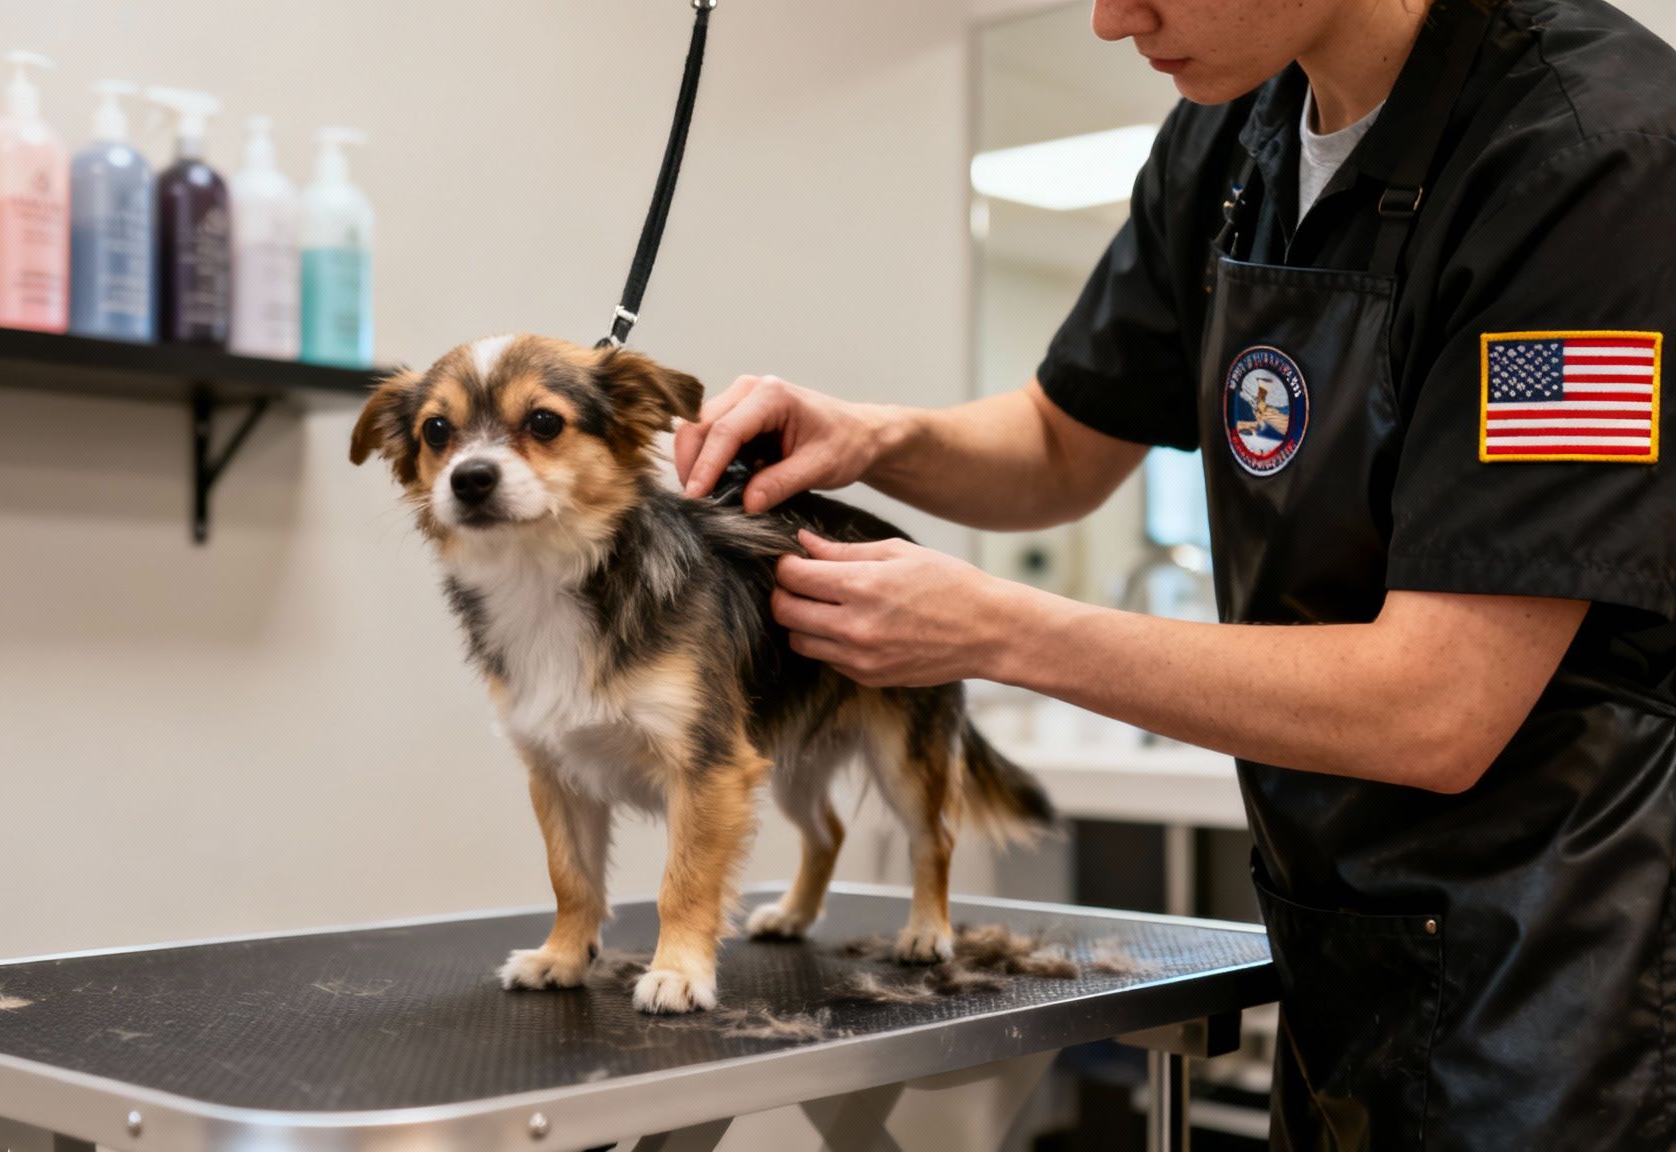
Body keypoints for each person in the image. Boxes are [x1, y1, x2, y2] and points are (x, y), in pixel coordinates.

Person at [674, 0, 1676, 1147]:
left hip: (1563, 978)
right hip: (1341, 942)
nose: (1109, 20)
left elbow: (1440, 704)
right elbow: (1060, 445)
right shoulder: (1234, 134)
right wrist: (871, 435)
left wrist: (998, 630)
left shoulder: (1588, 157)